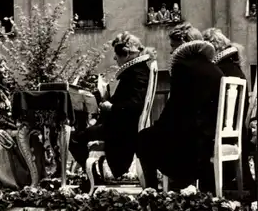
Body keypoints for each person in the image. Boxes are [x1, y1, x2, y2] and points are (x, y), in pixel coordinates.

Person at [137, 23, 224, 191]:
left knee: (144, 138)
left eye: (172, 46)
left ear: (183, 42)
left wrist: (159, 126)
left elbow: (175, 106)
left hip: (194, 139)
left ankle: (152, 192)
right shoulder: (215, 68)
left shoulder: (183, 67)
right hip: (209, 133)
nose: (171, 51)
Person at [69, 32, 154, 192]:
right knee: (81, 135)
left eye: (116, 54)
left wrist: (110, 107)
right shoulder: (139, 70)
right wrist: (106, 97)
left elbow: (134, 105)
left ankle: (94, 180)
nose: (115, 59)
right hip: (123, 126)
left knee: (73, 139)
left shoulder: (137, 73)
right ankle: (95, 178)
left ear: (126, 54)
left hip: (122, 130)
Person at [0, 54, 45, 189]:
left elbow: (6, 114)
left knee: (34, 135)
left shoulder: (0, 88)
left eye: (5, 66)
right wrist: (15, 126)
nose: (6, 69)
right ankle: (20, 182)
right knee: (21, 136)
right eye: (1, 66)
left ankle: (38, 178)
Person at [202, 28, 256, 196]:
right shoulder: (234, 69)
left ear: (214, 48)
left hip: (219, 137)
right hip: (236, 136)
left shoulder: (219, 71)